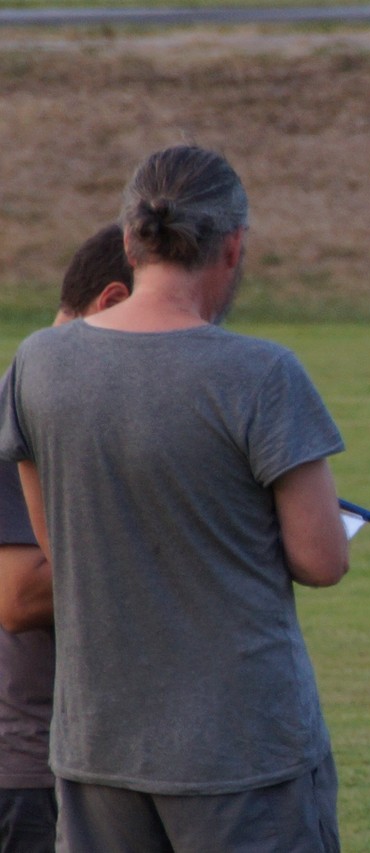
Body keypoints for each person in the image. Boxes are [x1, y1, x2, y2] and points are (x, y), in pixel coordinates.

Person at [0, 144, 349, 852]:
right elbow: (322, 559)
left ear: (131, 241)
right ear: (234, 245)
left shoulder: (37, 362)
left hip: (96, 746)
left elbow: (57, 538)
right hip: (243, 748)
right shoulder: (262, 373)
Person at [0, 224, 133, 853]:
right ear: (112, 302)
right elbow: (19, 596)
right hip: (31, 770)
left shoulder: (81, 405)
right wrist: (185, 543)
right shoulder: (27, 404)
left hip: (93, 752)